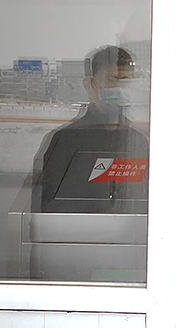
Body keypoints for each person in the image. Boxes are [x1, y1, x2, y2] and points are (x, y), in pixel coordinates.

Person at [33, 45, 149, 214]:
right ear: (91, 85)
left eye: (126, 82)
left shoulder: (139, 141)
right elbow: (47, 208)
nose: (120, 89)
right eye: (112, 80)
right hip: (80, 230)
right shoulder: (66, 140)